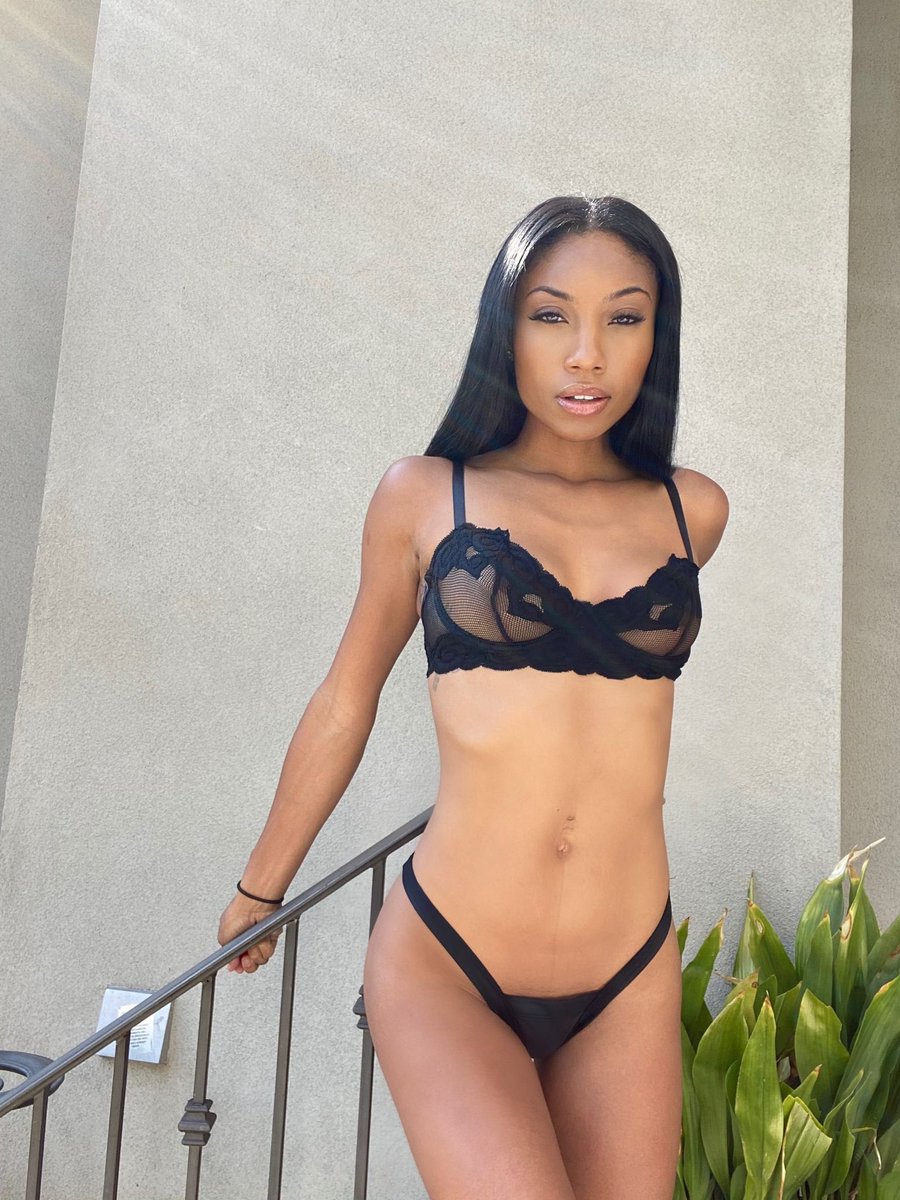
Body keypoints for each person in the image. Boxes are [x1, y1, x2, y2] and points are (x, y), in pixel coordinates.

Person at [217, 194, 729, 1199]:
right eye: (552, 315)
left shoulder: (692, 509)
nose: (587, 354)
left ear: (657, 335)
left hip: (627, 964)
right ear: (507, 327)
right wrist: (261, 889)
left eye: (624, 318)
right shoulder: (425, 494)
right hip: (451, 958)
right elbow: (345, 698)